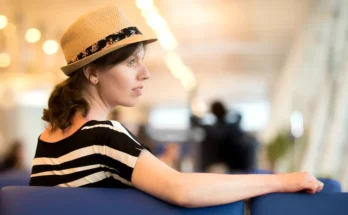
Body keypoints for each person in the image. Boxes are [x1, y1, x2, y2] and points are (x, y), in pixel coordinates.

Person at [29, 5, 323, 208]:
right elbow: (183, 191)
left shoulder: (49, 140)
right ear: (92, 73)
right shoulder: (104, 136)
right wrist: (280, 181)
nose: (145, 73)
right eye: (131, 62)